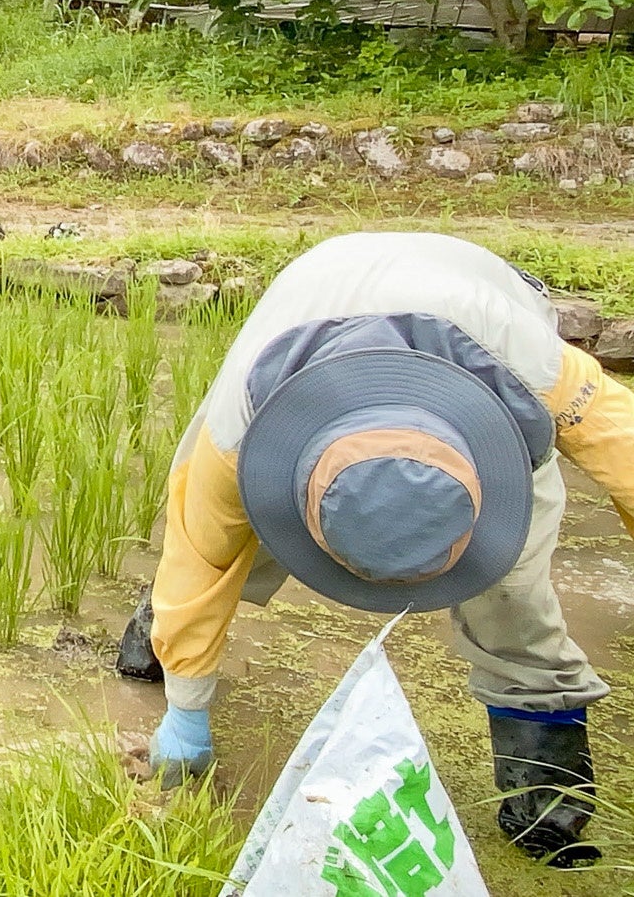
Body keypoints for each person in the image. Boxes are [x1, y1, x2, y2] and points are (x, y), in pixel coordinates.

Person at [133, 231, 634, 867]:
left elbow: (625, 458)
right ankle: (160, 643)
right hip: (310, 293)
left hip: (476, 320)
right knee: (223, 544)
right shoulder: (238, 432)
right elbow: (199, 556)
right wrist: (186, 714)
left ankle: (544, 799)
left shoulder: (532, 368)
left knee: (511, 592)